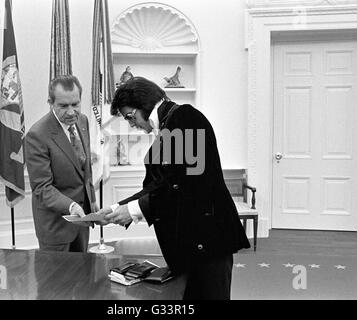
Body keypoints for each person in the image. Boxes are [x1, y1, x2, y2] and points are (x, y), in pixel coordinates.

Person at [98, 77, 250, 300]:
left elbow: (186, 184)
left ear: (145, 103)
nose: (132, 124)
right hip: (192, 241)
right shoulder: (169, 126)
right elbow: (159, 184)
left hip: (207, 242)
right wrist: (116, 208)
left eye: (131, 116)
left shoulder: (185, 117)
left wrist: (132, 210)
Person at [26, 75, 97, 252]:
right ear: (50, 102)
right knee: (55, 279)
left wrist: (92, 200)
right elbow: (42, 188)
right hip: (55, 227)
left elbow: (84, 168)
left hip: (82, 222)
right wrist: (71, 206)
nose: (71, 112)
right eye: (63, 106)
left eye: (75, 104)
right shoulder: (37, 135)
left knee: (83, 275)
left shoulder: (83, 121)